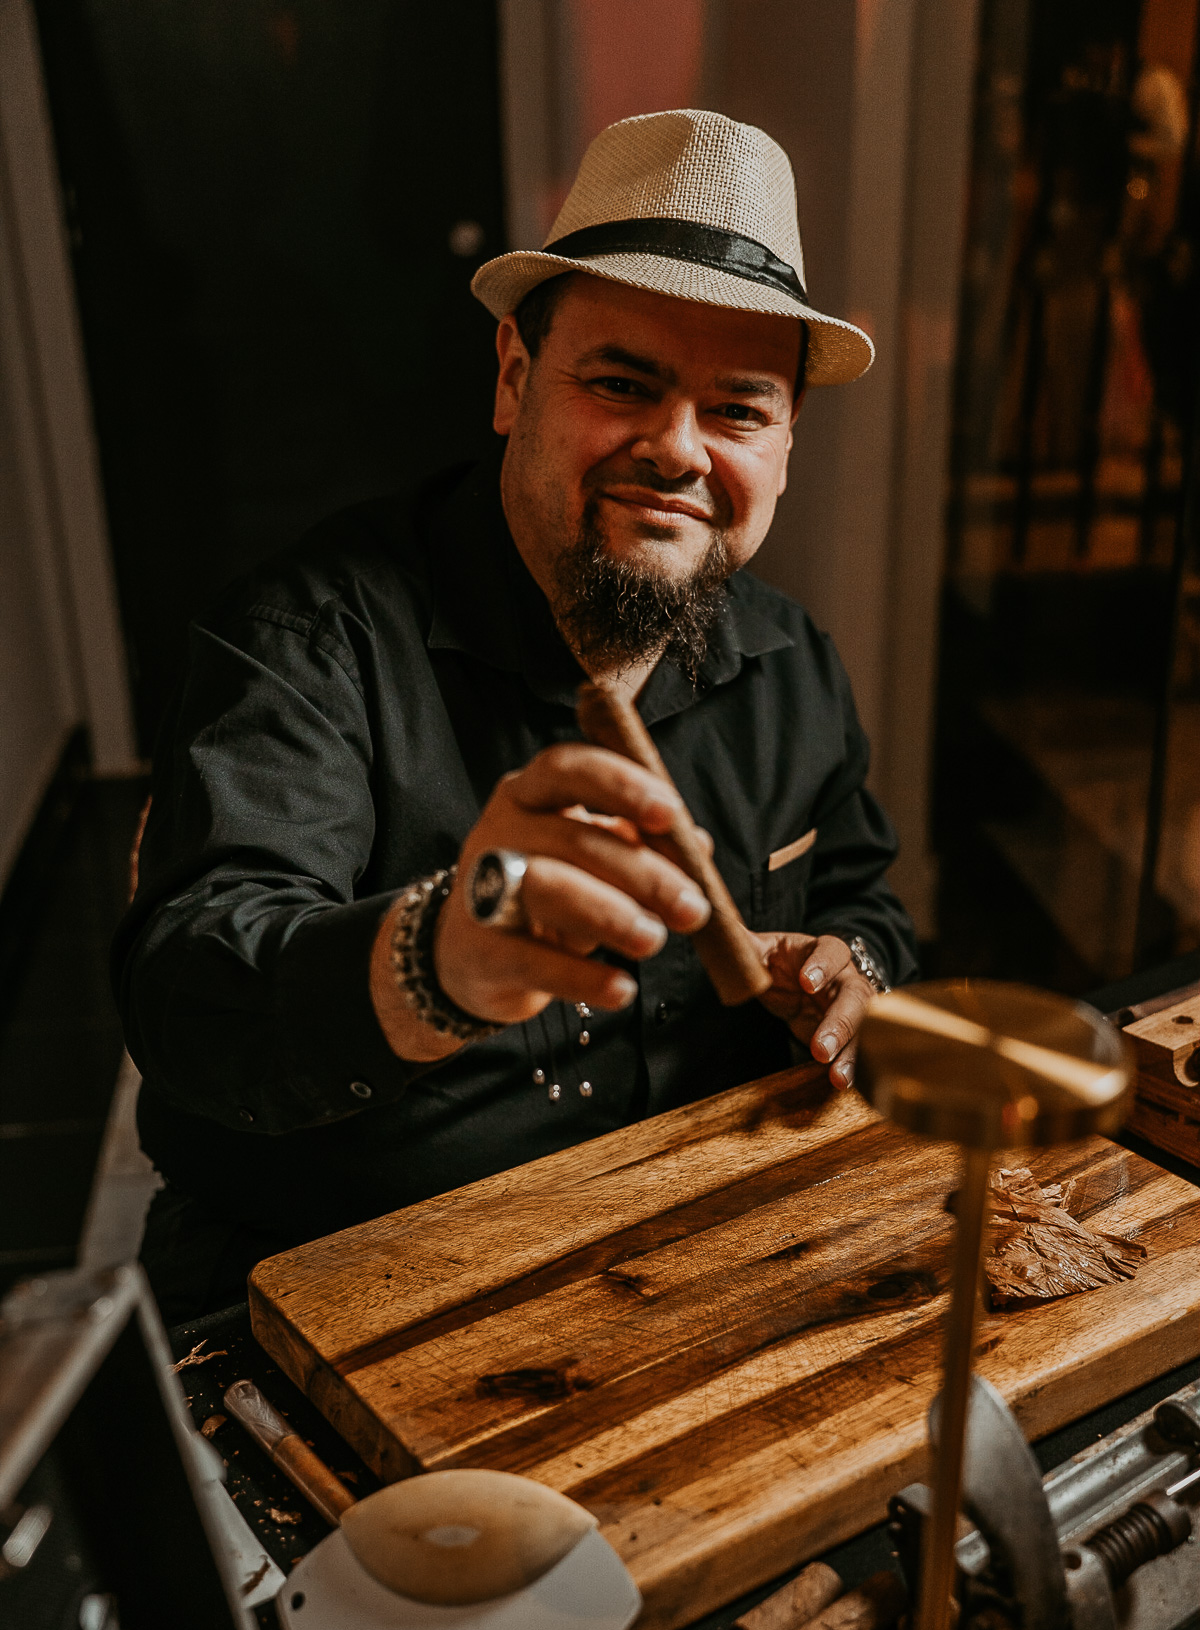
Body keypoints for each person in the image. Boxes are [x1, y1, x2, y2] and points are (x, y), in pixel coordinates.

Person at [114, 110, 918, 1324]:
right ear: (513, 378)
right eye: (623, 383)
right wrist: (439, 959)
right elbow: (191, 997)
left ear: (787, 444)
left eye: (739, 409)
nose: (678, 449)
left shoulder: (794, 661)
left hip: (687, 1253)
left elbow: (866, 898)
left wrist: (849, 962)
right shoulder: (305, 641)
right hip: (331, 1290)